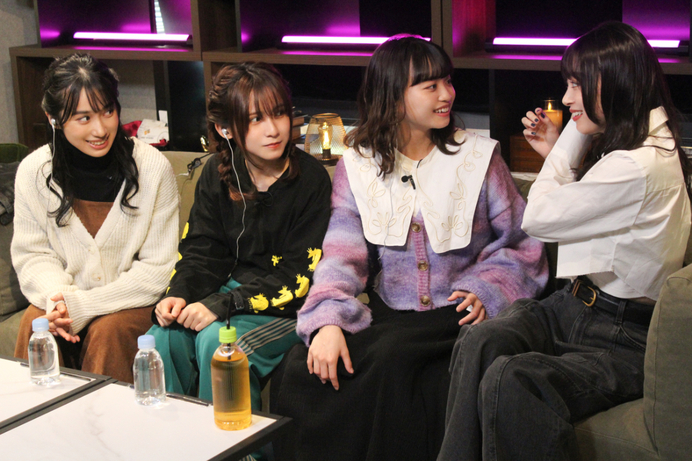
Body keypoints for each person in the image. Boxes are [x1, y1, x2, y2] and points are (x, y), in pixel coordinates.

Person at [271, 35, 548, 461]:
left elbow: (521, 242)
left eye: (447, 82)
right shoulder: (358, 165)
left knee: (393, 362)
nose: (447, 94)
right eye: (430, 86)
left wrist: (487, 288)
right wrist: (328, 320)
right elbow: (341, 254)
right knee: (299, 366)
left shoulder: (479, 158)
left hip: (459, 318)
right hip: (392, 319)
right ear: (393, 97)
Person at [437, 22, 692, 461]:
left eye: (576, 84)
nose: (567, 98)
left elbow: (537, 218)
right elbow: (588, 207)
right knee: (481, 341)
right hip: (576, 307)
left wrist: (570, 139)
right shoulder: (631, 145)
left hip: (622, 335)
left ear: (613, 82)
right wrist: (572, 136)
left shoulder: (639, 164)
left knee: (512, 377)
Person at [147, 62, 332, 412]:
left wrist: (222, 305)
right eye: (256, 119)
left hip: (286, 310)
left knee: (219, 344)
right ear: (226, 129)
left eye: (279, 113)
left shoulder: (311, 181)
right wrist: (179, 294)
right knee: (163, 337)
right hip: (226, 297)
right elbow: (200, 249)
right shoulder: (215, 173)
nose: (273, 129)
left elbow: (297, 276)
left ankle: (233, 441)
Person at [12, 53, 179, 383]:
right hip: (66, 297)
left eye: (108, 111)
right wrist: (60, 303)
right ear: (53, 118)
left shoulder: (152, 167)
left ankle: (107, 418)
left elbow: (158, 269)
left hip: (132, 301)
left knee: (109, 330)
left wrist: (85, 306)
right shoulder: (34, 171)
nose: (100, 129)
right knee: (37, 322)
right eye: (83, 118)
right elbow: (33, 256)